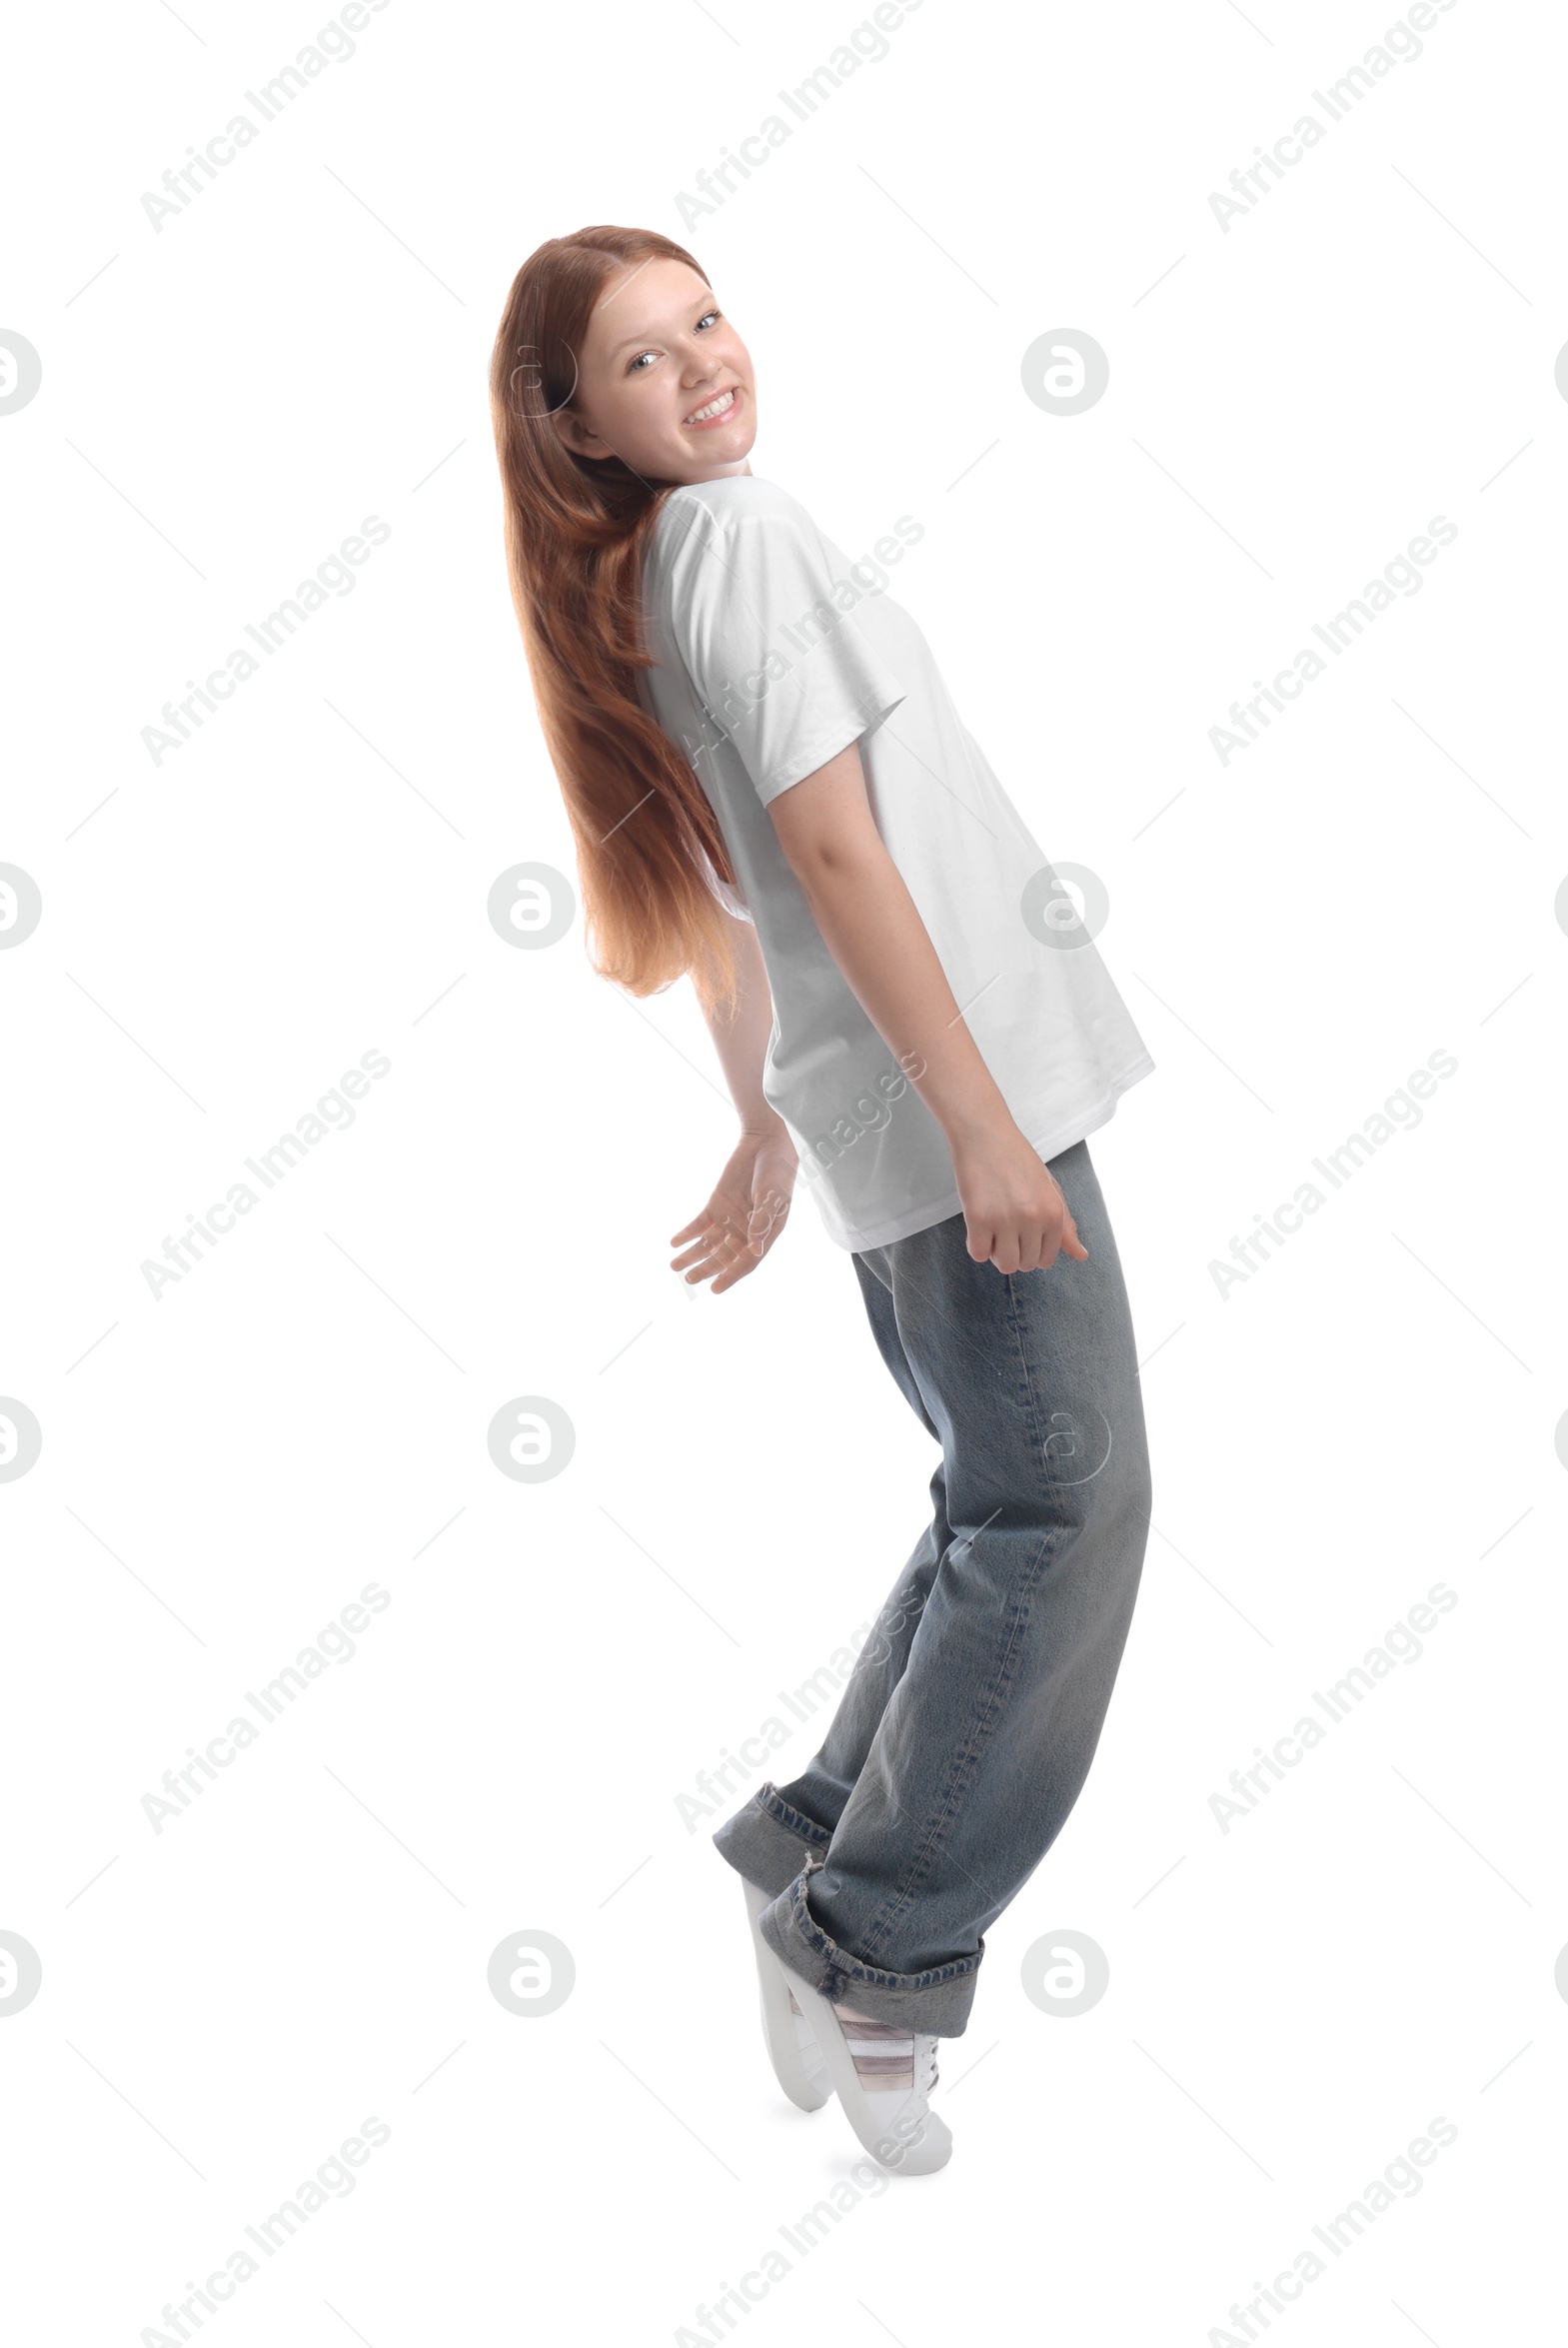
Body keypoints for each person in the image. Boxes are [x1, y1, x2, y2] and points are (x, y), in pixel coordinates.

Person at [490, 224, 1155, 2174]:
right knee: (1063, 1507)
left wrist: (768, 1120)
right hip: (961, 1115)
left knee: (1001, 1502)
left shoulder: (640, 579)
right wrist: (977, 1126)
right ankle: (873, 1940)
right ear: (574, 427)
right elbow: (826, 851)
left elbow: (714, 905)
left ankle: (812, 1848)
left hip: (895, 1120)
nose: (703, 362)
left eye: (704, 317)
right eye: (641, 359)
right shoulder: (736, 538)